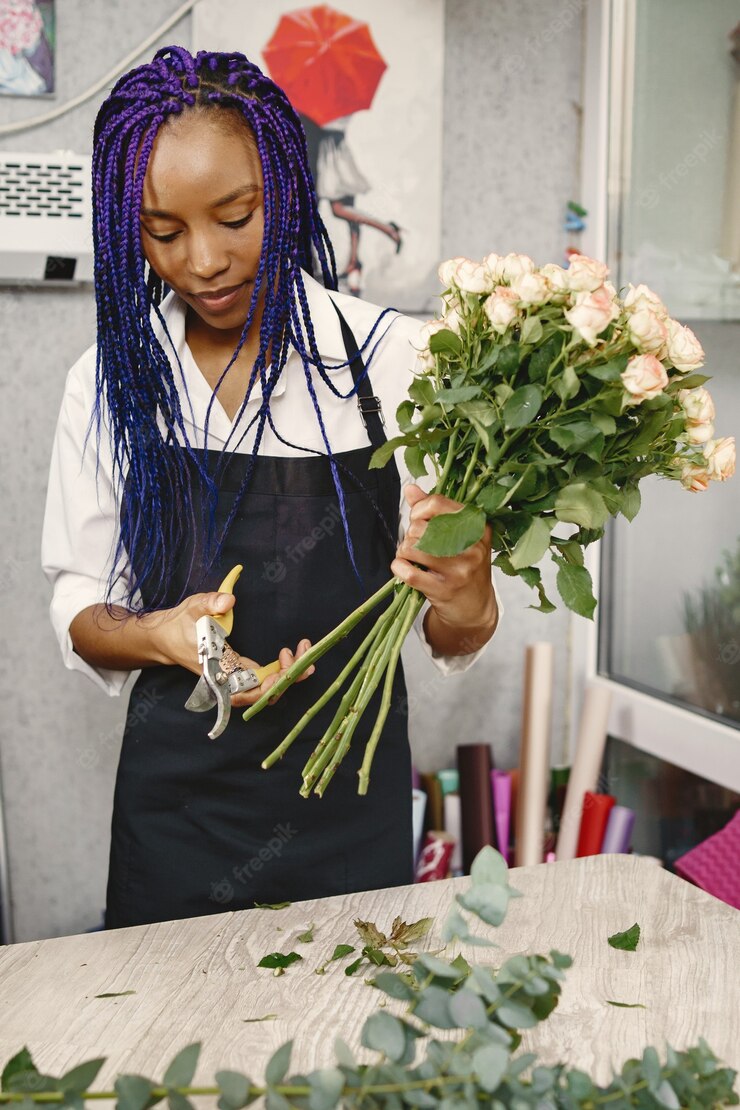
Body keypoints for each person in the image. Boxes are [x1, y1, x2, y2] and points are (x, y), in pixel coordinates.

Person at [41, 47, 499, 930]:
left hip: (350, 799)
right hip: (176, 813)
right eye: (164, 233)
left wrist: (470, 594)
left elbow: (456, 626)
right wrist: (170, 636)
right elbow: (78, 606)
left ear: (285, 191)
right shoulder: (107, 384)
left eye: (236, 216)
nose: (204, 262)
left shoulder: (390, 363)